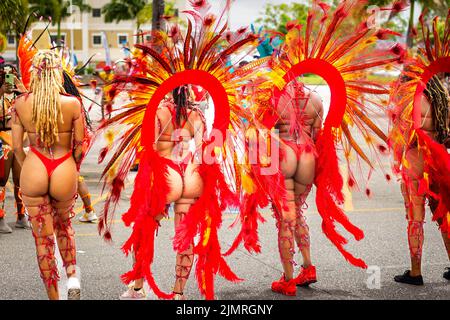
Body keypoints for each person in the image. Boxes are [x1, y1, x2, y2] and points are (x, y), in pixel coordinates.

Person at [11, 50, 85, 300]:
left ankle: (54, 297)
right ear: (57, 73)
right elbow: (80, 147)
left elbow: (17, 147)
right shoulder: (72, 104)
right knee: (65, 227)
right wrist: (72, 167)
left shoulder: (20, 103)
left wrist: (28, 163)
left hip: (34, 165)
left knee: (43, 240)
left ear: (33, 73)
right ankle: (73, 279)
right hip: (63, 164)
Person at [120, 86, 205, 300]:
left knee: (145, 228)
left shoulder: (159, 112)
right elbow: (204, 152)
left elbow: (149, 148)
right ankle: (178, 293)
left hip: (168, 172)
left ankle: (138, 288)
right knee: (185, 236)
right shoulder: (197, 115)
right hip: (191, 172)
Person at [394, 75, 450, 285]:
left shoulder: (409, 100)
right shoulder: (441, 97)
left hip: (416, 158)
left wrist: (398, 160)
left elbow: (401, 135)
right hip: (439, 156)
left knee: (415, 218)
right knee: (445, 215)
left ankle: (415, 273)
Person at [270, 80, 323, 295]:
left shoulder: (274, 98)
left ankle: (289, 280)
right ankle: (308, 267)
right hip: (308, 156)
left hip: (284, 154)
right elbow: (319, 138)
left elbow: (260, 133)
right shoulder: (317, 99)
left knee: (285, 218)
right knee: (298, 213)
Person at [60, 70, 97, 223]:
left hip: (75, 141)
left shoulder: (66, 100)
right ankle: (89, 210)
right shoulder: (72, 98)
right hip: (79, 140)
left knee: (73, 175)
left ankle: (82, 210)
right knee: (74, 174)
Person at [0, 63, 29, 233]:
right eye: (6, 74)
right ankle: (1, 217)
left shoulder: (21, 94)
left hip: (20, 139)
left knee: (21, 179)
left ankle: (21, 215)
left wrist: (21, 87)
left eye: (13, 74)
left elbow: (31, 107)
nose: (9, 77)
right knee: (2, 180)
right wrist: (2, 91)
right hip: (2, 138)